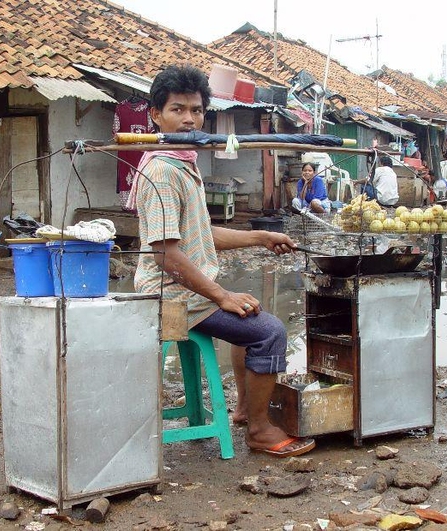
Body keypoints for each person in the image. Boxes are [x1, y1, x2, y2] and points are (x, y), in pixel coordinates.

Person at [130, 64, 315, 458]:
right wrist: (220, 295)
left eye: (196, 110)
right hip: (170, 295)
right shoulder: (163, 170)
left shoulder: (183, 163)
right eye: (177, 109)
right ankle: (261, 431)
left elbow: (200, 233)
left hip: (185, 290)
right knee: (270, 331)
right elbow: (166, 252)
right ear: (155, 115)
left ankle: (248, 411)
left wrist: (259, 237)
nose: (189, 119)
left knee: (250, 309)